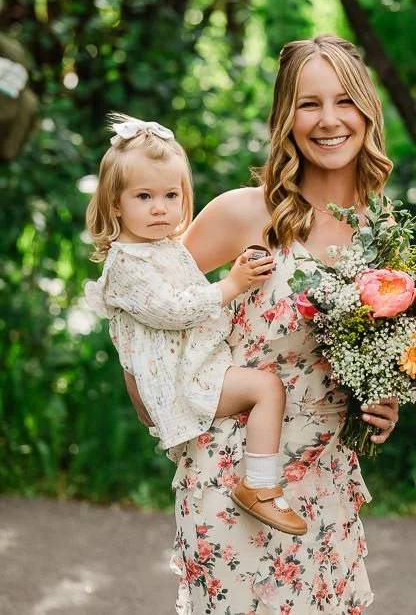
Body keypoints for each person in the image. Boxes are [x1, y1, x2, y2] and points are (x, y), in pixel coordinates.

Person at [124, 35, 400, 614]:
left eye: (344, 100)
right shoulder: (241, 213)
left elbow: (382, 347)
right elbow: (141, 303)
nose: (328, 120)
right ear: (286, 117)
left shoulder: (385, 228)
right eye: (308, 103)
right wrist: (161, 404)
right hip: (233, 474)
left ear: (367, 110)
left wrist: (383, 400)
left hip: (328, 475)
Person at [85, 114, 308, 536]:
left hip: (195, 366)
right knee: (267, 387)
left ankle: (259, 481)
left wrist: (239, 281)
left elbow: (194, 299)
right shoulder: (127, 263)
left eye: (171, 194)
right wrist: (231, 284)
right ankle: (259, 486)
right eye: (144, 196)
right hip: (181, 380)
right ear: (115, 203)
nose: (160, 207)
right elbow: (175, 310)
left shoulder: (163, 249)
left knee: (266, 388)